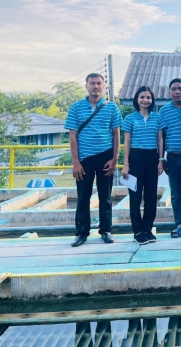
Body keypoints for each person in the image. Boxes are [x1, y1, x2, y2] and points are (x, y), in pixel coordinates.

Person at [65, 73, 122, 248]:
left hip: (106, 156)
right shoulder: (76, 108)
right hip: (84, 159)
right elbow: (73, 136)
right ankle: (81, 233)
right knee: (83, 196)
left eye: (99, 83)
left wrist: (114, 159)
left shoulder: (111, 107)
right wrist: (76, 162)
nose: (95, 86)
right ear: (86, 86)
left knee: (106, 196)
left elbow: (116, 134)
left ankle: (106, 230)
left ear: (104, 86)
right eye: (92, 83)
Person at [121, 86, 162, 245]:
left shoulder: (157, 117)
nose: (145, 100)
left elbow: (160, 139)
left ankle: (147, 229)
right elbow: (127, 142)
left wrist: (161, 160)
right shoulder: (130, 118)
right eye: (142, 97)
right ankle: (137, 231)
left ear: (152, 100)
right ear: (137, 100)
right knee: (135, 195)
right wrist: (126, 164)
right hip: (135, 157)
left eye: (148, 97)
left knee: (151, 195)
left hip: (152, 157)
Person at [158, 78, 181, 239]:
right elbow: (161, 137)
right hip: (172, 158)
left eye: (180, 89)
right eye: (174, 89)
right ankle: (180, 224)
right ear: (170, 92)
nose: (177, 92)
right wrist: (161, 159)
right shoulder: (163, 111)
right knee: (176, 193)